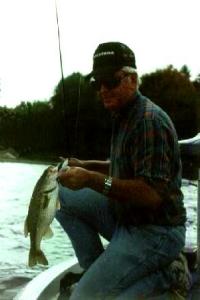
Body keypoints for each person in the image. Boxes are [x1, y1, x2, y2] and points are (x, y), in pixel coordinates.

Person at [56, 42, 189, 299]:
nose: (103, 89)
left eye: (111, 81)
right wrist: (86, 165)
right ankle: (95, 270)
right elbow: (124, 166)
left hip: (156, 231)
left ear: (133, 79)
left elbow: (150, 193)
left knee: (83, 298)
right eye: (97, 83)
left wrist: (91, 179)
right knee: (62, 195)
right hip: (126, 219)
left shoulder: (149, 121)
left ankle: (170, 273)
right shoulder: (123, 114)